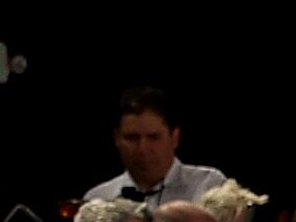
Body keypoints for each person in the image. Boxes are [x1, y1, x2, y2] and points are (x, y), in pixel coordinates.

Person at [86, 86, 227, 208]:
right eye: (132, 138)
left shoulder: (208, 186)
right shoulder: (97, 199)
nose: (142, 149)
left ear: (175, 137)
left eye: (153, 137)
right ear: (116, 138)